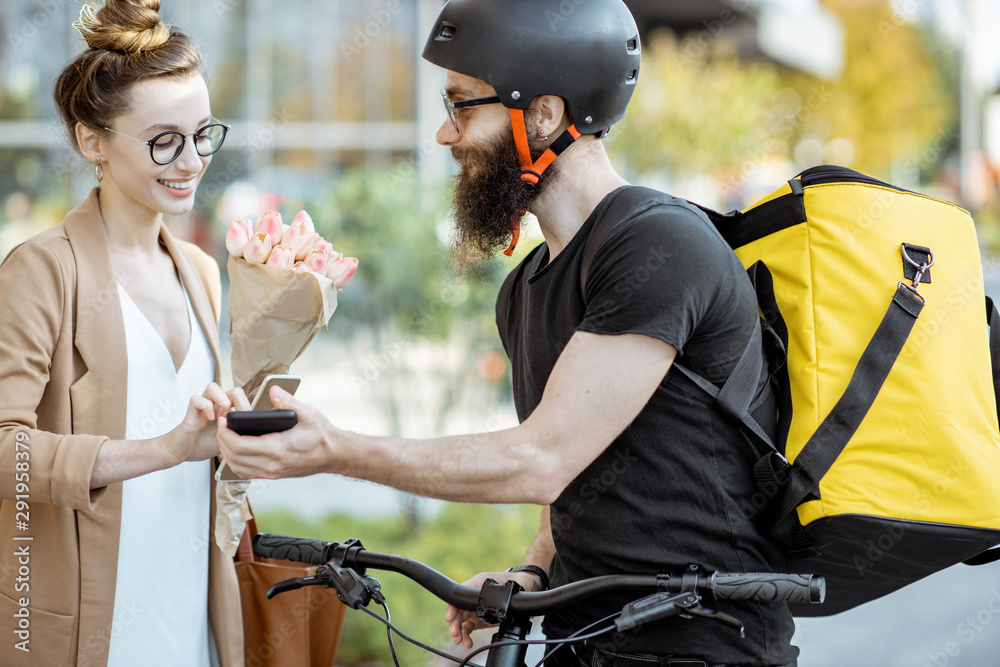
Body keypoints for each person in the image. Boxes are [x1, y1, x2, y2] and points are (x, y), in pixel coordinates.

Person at [218, 0, 797, 665]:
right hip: (585, 640)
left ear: (545, 114)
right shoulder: (523, 291)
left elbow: (542, 456)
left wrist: (337, 448)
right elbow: (576, 477)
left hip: (703, 640)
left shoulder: (656, 244)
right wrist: (531, 571)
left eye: (463, 105)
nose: (445, 132)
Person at [0, 1, 249, 665]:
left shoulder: (200, 269)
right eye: (162, 139)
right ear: (93, 141)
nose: (191, 160)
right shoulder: (42, 269)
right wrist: (164, 448)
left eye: (202, 133)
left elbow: (201, 448)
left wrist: (243, 429)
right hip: (91, 630)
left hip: (192, 625)